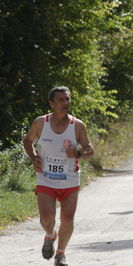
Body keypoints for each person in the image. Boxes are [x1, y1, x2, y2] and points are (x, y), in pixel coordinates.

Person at [23, 86, 95, 266]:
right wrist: (34, 158)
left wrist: (78, 153)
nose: (65, 103)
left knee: (67, 218)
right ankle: (50, 235)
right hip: (45, 178)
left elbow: (89, 150)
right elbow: (28, 141)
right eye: (61, 100)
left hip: (70, 178)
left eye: (67, 99)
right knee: (46, 219)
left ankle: (61, 254)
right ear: (51, 103)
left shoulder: (77, 125)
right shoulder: (41, 123)